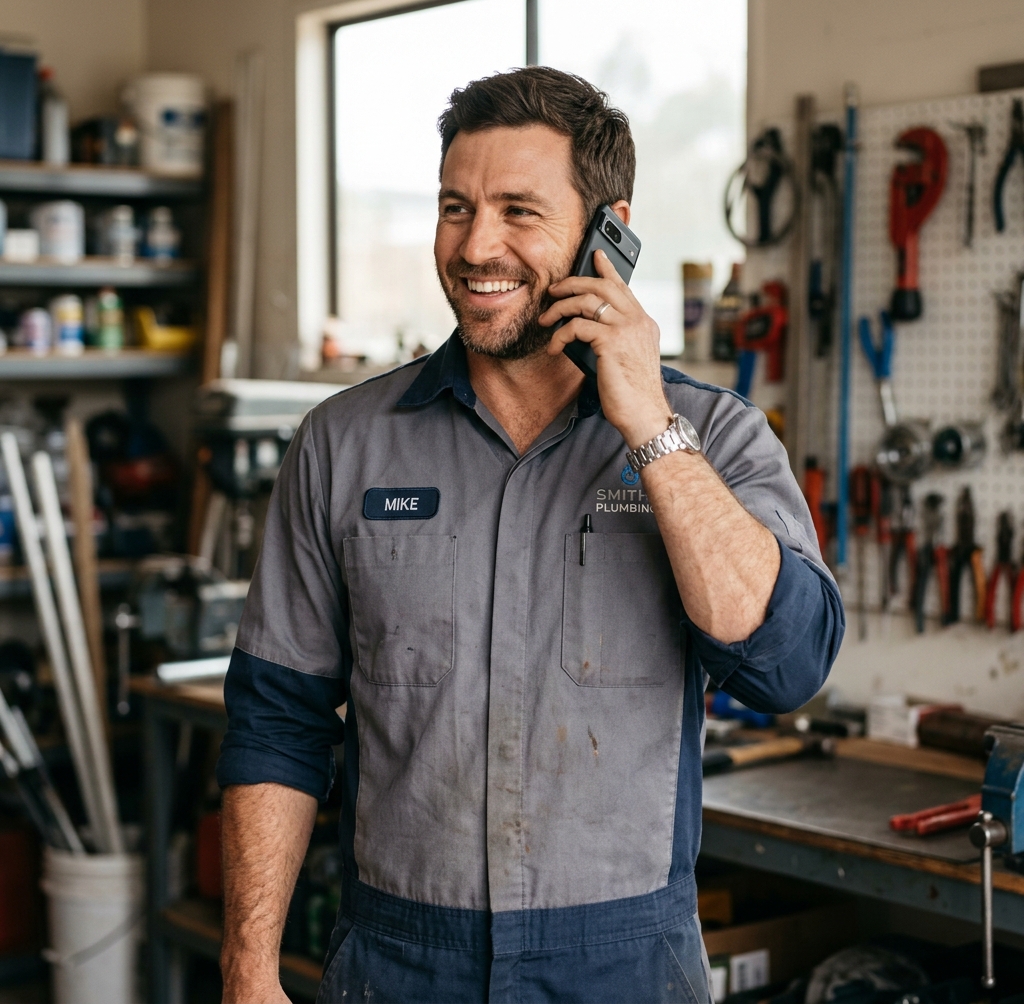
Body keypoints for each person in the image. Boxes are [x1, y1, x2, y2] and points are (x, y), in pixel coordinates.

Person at [217, 67, 845, 1004]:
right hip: (397, 960)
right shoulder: (342, 446)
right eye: (455, 207)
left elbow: (787, 665)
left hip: (625, 964)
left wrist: (648, 425)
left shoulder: (713, 437)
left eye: (519, 210)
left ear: (608, 232)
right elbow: (277, 719)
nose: (476, 247)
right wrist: (248, 965)